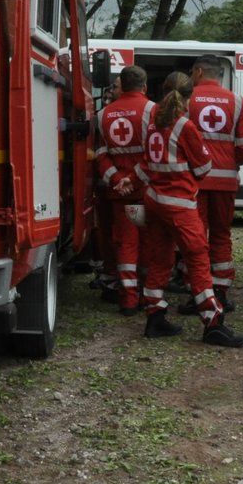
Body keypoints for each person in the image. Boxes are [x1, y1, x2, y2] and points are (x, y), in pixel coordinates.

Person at [136, 72, 243, 347]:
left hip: (155, 200)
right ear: (188, 98)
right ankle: (212, 324)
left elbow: (145, 165)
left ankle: (155, 316)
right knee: (198, 258)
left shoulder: (153, 123)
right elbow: (203, 167)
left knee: (160, 259)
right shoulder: (185, 127)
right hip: (179, 204)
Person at [187, 54, 243, 310]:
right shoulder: (238, 102)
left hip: (194, 181)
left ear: (199, 71)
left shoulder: (186, 99)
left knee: (196, 237)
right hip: (226, 182)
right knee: (221, 234)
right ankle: (221, 291)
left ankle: (198, 292)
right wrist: (231, 162)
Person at [94, 67, 154, 315]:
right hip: (148, 191)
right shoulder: (153, 111)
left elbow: (99, 155)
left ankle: (127, 300)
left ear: (121, 86)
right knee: (150, 243)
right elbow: (156, 152)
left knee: (126, 244)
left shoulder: (102, 115)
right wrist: (135, 178)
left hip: (120, 194)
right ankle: (148, 295)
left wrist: (118, 179)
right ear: (144, 86)